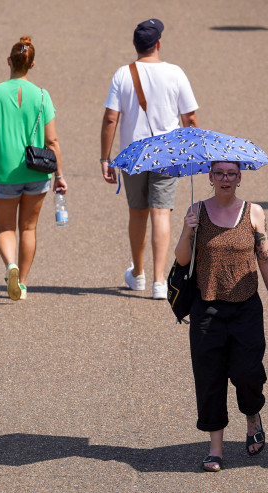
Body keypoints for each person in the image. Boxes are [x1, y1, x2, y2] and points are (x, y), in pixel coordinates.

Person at [174, 161, 268, 473]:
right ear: (210, 177)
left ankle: (252, 416)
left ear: (239, 178)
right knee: (210, 378)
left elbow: (266, 258)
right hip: (207, 308)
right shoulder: (196, 211)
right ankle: (215, 448)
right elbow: (182, 259)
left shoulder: (254, 212)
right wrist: (187, 229)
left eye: (231, 173)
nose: (225, 178)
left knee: (248, 373)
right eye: (219, 173)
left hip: (246, 307)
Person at [100, 18, 198, 300]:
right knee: (161, 213)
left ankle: (138, 274)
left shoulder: (123, 74)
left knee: (137, 212)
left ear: (135, 44)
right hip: (166, 152)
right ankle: (159, 282)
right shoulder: (175, 73)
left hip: (133, 154)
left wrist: (105, 158)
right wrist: (189, 150)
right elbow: (190, 117)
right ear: (158, 44)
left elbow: (111, 118)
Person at [0, 36, 67, 301]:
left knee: (5, 228)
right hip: (36, 170)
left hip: (3, 173)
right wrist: (59, 175)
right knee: (28, 228)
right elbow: (52, 140)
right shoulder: (42, 95)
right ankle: (22, 284)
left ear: (9, 61)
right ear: (32, 64)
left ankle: (10, 265)